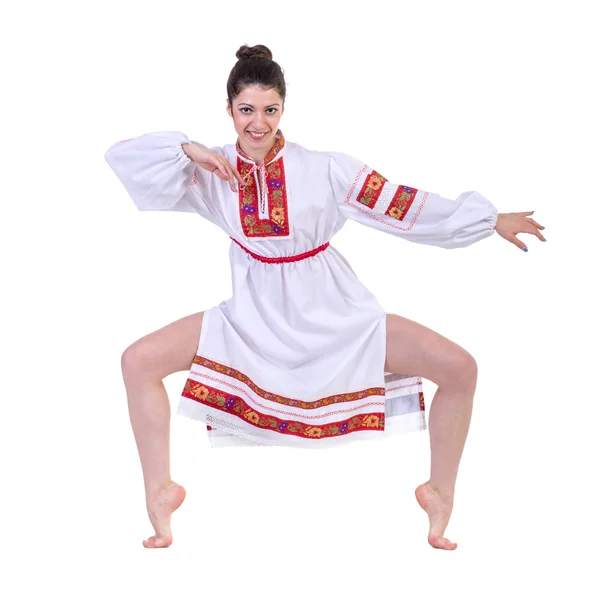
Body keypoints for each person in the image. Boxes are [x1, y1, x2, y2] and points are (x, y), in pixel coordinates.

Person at [104, 44, 546, 551]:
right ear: (228, 110)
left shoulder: (324, 168)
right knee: (137, 360)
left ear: (283, 109)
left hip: (337, 317)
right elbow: (123, 157)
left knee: (460, 368)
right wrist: (188, 149)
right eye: (246, 109)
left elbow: (400, 205)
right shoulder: (210, 171)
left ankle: (439, 492)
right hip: (252, 320)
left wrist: (488, 221)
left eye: (269, 109)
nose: (258, 122)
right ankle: (160, 490)